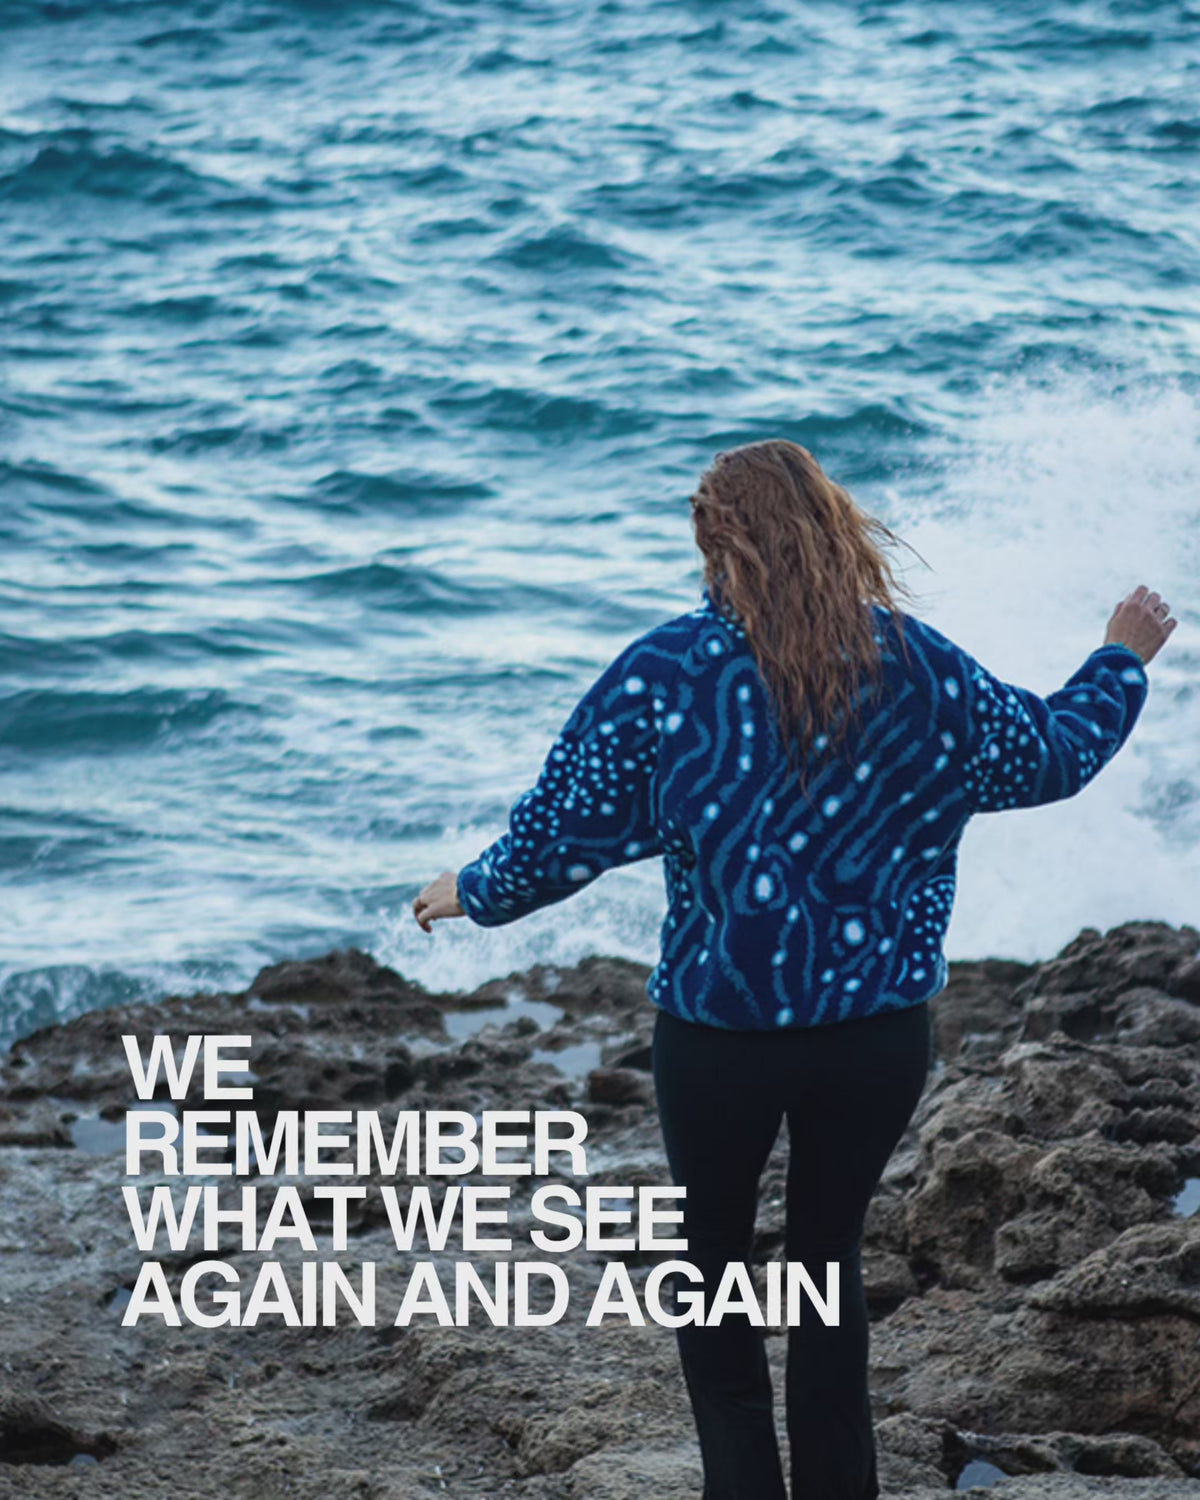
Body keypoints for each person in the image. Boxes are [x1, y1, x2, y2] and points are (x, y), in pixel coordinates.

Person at [412, 439, 1176, 1500]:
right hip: (875, 1039)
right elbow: (1050, 755)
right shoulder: (917, 666)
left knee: (713, 1271)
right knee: (826, 1261)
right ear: (832, 529)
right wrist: (1119, 660)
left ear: (716, 549)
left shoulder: (664, 673)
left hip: (720, 1041)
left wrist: (475, 889)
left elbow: (565, 834)